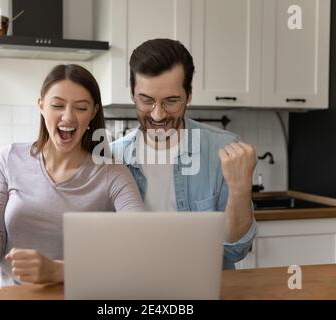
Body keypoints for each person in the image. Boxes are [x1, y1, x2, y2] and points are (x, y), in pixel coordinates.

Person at [0, 64, 144, 287]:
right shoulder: (9, 158)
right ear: (41, 106)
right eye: (57, 105)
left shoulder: (113, 174)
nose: (68, 117)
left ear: (93, 112)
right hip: (6, 292)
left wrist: (60, 271)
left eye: (80, 108)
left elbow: (141, 252)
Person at [110, 38, 258, 269]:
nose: (158, 115)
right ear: (132, 93)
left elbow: (236, 251)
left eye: (171, 101)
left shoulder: (223, 151)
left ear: (188, 94)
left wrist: (240, 190)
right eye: (146, 100)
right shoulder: (112, 157)